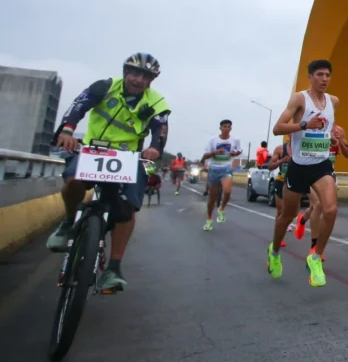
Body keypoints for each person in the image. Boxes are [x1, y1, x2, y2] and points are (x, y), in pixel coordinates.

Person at [45, 53, 170, 292]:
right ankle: (68, 223)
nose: (138, 79)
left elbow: (160, 128)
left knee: (128, 208)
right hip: (92, 150)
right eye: (134, 73)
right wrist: (68, 131)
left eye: (145, 76)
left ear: (151, 81)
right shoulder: (104, 86)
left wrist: (156, 147)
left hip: (127, 157)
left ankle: (114, 267)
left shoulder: (156, 102)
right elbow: (78, 106)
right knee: (73, 183)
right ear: (125, 73)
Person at [267, 59, 347, 287]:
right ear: (310, 77)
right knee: (287, 216)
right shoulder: (299, 98)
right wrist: (304, 125)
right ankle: (273, 252)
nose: (324, 79)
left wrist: (330, 136)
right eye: (320, 75)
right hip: (299, 166)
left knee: (330, 209)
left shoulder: (333, 101)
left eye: (327, 75)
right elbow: (277, 128)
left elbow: (327, 126)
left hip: (321, 165)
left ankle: (315, 256)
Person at [292, 124, 348, 258]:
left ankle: (302, 219)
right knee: (317, 205)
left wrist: (340, 140)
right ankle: (314, 246)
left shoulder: (339, 130)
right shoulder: (311, 126)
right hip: (313, 171)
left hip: (328, 173)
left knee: (319, 207)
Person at [201, 120, 242, 231]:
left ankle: (222, 208)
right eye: (224, 126)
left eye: (229, 127)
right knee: (212, 199)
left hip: (226, 168)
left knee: (227, 191)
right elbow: (205, 155)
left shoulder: (235, 140)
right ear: (220, 128)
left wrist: (235, 153)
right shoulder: (213, 140)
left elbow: (239, 151)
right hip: (214, 169)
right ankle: (209, 219)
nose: (226, 128)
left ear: (231, 128)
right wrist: (214, 152)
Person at [262, 141, 292, 247]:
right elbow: (270, 166)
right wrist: (283, 160)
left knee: (291, 213)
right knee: (280, 211)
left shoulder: (303, 149)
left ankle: (285, 227)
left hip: (294, 183)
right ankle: (279, 238)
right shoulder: (280, 149)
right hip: (281, 181)